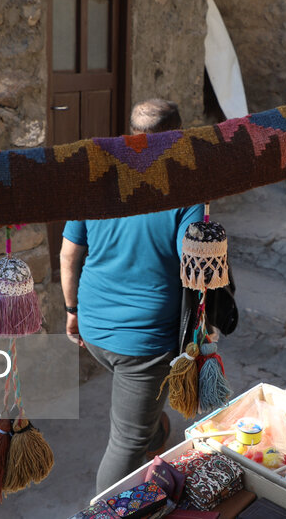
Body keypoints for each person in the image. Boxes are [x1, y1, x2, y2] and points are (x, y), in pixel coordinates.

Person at [60, 99, 205, 492]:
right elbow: (196, 266)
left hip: (93, 327)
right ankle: (105, 510)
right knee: (126, 441)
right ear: (175, 137)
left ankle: (154, 438)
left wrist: (72, 310)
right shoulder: (185, 191)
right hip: (144, 344)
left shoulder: (99, 180)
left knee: (142, 414)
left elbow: (70, 253)